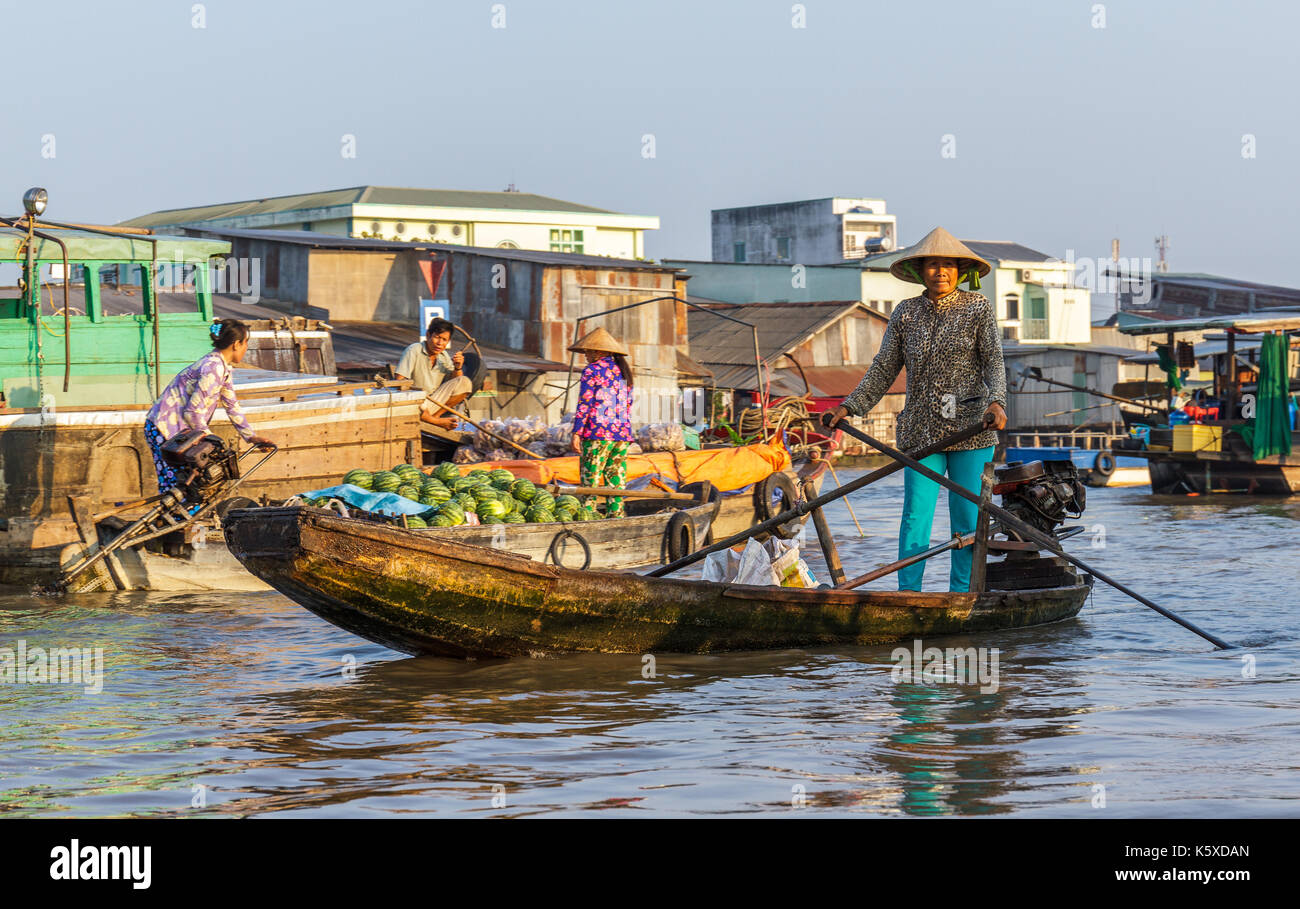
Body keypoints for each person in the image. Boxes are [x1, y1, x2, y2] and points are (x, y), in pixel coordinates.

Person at [822, 227, 1008, 592]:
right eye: (933, 265)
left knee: (968, 518)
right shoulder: (906, 313)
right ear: (920, 272)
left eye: (949, 265)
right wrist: (850, 406)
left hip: (970, 426)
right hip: (920, 430)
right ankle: (908, 593)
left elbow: (994, 361)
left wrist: (997, 401)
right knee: (915, 517)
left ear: (960, 272)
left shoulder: (977, 308)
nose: (941, 271)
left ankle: (963, 594)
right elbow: (884, 367)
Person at [144, 319, 276, 494]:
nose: (246, 348)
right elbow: (192, 412)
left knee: (186, 485)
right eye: (245, 343)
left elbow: (231, 405)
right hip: (164, 428)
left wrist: (251, 437)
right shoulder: (213, 368)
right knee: (181, 487)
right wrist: (213, 440)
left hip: (174, 431)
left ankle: (176, 519)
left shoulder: (221, 367)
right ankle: (175, 520)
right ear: (236, 344)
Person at [568, 327, 634, 517]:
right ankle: (617, 517)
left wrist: (576, 433)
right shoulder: (623, 372)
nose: (586, 355)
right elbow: (627, 405)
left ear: (599, 351)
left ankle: (587, 518)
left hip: (598, 434)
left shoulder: (592, 370)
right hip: (621, 435)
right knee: (616, 481)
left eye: (588, 351)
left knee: (591, 482)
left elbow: (585, 403)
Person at [395, 317, 474, 430]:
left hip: (432, 403)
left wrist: (458, 367)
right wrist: (417, 396)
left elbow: (455, 382)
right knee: (414, 395)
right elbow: (399, 382)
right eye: (437, 337)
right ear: (428, 335)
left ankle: (433, 418)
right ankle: (435, 421)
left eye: (444, 339)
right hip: (414, 402)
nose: (440, 343)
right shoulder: (414, 349)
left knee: (465, 382)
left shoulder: (444, 356)